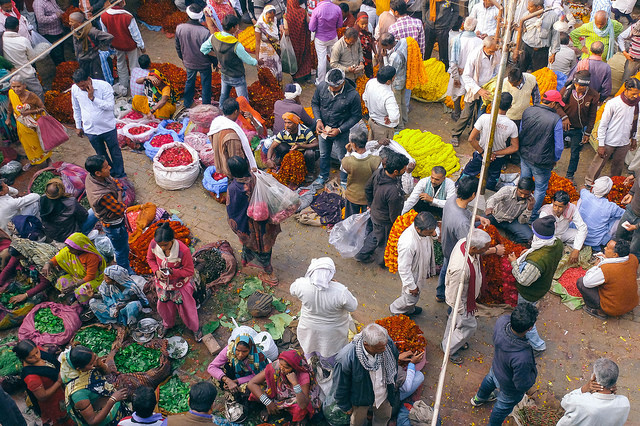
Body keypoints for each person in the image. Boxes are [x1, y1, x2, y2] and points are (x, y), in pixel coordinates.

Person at [470, 303, 539, 426]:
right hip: (509, 386)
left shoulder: (502, 321)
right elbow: (521, 384)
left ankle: (479, 398)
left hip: (497, 366)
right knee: (502, 406)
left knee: (489, 380)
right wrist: (532, 377)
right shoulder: (523, 357)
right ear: (530, 328)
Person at [509, 216, 563, 354]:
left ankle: (538, 346)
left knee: (525, 318)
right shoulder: (556, 243)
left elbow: (523, 280)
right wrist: (528, 253)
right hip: (542, 286)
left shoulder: (538, 261)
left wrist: (514, 263)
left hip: (530, 293)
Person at [290, 257, 358, 363]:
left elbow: (292, 290)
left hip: (308, 328)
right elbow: (353, 306)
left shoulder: (301, 284)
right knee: (329, 355)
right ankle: (327, 370)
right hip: (331, 334)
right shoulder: (340, 291)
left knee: (310, 347)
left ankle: (312, 366)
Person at [226, 156, 281, 284]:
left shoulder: (234, 188)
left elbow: (233, 210)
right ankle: (247, 260)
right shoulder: (256, 177)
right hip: (264, 221)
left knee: (261, 249)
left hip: (248, 225)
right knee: (263, 245)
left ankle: (270, 275)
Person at [437, 176, 492, 303]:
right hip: (455, 254)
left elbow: (465, 213)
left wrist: (478, 218)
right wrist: (494, 250)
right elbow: (470, 248)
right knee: (454, 283)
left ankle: (440, 294)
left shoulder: (452, 200)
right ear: (473, 195)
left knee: (445, 270)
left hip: (446, 245)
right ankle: (449, 303)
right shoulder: (463, 224)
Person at [333, 323, 399, 426]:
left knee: (383, 419)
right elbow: (340, 385)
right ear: (366, 344)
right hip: (360, 401)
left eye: (384, 346)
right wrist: (344, 405)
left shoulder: (387, 344)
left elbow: (394, 366)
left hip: (383, 396)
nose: (385, 350)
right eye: (379, 348)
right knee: (358, 423)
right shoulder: (346, 359)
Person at [443, 228, 492, 364]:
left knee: (454, 321)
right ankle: (449, 349)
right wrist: (460, 310)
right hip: (461, 302)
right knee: (468, 326)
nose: (485, 252)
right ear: (474, 248)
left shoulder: (464, 242)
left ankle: (448, 342)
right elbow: (453, 294)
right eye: (484, 249)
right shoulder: (461, 269)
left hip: (463, 296)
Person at [146, 222, 202, 341]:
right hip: (162, 284)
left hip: (180, 285)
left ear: (172, 239)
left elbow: (189, 271)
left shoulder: (183, 251)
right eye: (161, 246)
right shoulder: (153, 245)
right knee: (164, 307)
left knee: (187, 309)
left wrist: (173, 272)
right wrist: (156, 271)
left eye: (166, 245)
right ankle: (167, 324)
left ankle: (195, 328)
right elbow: (150, 259)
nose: (163, 248)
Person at [311, 68, 362, 186]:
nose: (331, 89)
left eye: (335, 87)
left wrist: (339, 130)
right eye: (330, 86)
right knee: (323, 154)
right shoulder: (322, 87)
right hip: (324, 128)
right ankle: (323, 176)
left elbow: (356, 116)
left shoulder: (353, 95)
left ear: (342, 83)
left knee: (342, 157)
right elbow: (315, 103)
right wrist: (318, 120)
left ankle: (344, 180)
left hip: (341, 131)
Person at [355, 151, 408, 266]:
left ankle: (363, 254)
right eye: (404, 169)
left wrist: (370, 203)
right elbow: (394, 214)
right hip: (384, 220)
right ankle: (377, 260)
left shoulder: (379, 173)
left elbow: (367, 188)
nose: (405, 171)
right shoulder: (393, 191)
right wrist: (397, 226)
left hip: (375, 212)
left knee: (376, 235)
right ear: (395, 172)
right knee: (382, 241)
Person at [519, 90, 565, 220]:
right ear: (552, 104)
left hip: (525, 155)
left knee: (524, 182)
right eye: (557, 105)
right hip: (542, 161)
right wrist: (555, 159)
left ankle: (521, 208)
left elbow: (521, 131)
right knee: (539, 188)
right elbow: (559, 146)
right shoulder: (555, 119)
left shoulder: (528, 110)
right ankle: (532, 216)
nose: (557, 107)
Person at [585, 78, 640, 186]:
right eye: (633, 93)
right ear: (626, 90)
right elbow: (603, 125)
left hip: (624, 141)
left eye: (637, 94)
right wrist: (601, 144)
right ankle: (588, 183)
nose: (635, 96)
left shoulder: (637, 104)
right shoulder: (613, 103)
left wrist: (634, 138)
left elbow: (636, 122)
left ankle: (613, 185)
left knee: (618, 166)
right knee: (598, 164)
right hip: (609, 140)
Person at [72, 69, 126, 179]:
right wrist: (78, 126)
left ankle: (120, 174)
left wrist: (93, 98)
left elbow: (110, 106)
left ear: (88, 79)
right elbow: (76, 108)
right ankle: (109, 173)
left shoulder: (104, 86)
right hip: (90, 129)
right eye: (79, 86)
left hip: (107, 127)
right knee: (101, 155)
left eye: (83, 85)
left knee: (115, 152)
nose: (81, 88)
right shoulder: (75, 89)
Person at [461, 92, 519, 190]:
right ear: (510, 106)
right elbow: (515, 147)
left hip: (480, 155)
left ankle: (460, 192)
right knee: (491, 181)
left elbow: (471, 139)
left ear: (494, 103)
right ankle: (485, 198)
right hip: (498, 159)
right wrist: (495, 153)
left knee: (466, 176)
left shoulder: (484, 118)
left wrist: (483, 152)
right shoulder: (512, 125)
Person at [450, 36, 501, 147]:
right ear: (484, 47)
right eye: (490, 51)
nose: (493, 53)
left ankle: (473, 132)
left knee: (480, 114)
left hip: (487, 88)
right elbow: (467, 76)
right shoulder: (474, 56)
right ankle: (455, 134)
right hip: (473, 87)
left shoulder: (496, 53)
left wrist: (491, 85)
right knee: (467, 113)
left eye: (494, 51)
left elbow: (497, 71)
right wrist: (479, 90)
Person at [248, 350, 322, 425]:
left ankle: (287, 413)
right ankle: (269, 408)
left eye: (286, 367)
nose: (282, 369)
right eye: (281, 365)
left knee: (300, 409)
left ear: (294, 367)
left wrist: (295, 384)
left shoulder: (303, 375)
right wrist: (267, 402)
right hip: (276, 393)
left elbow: (303, 405)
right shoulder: (276, 366)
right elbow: (251, 383)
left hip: (294, 397)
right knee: (256, 393)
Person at [84, 155, 131, 271]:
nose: (109, 167)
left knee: (121, 247)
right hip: (114, 225)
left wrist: (118, 191)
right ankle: (125, 270)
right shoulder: (102, 195)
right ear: (98, 173)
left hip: (111, 216)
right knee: (121, 250)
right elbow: (121, 209)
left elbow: (115, 182)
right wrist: (120, 195)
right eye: (105, 167)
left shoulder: (92, 177)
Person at [201, 15, 261, 105]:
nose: (238, 28)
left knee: (224, 95)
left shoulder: (214, 37)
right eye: (237, 26)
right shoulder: (236, 45)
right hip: (237, 75)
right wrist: (257, 62)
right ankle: (245, 115)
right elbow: (247, 60)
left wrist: (217, 55)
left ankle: (221, 111)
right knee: (243, 99)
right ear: (233, 27)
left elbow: (203, 49)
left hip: (224, 73)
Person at [61, 345, 128, 425]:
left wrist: (100, 364)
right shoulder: (78, 394)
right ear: (79, 369)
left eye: (95, 358)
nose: (94, 363)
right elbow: (93, 421)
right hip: (107, 421)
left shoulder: (86, 368)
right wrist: (113, 400)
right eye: (91, 364)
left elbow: (107, 372)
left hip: (116, 408)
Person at [13, 340, 71, 426]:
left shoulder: (38, 351)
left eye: (37, 352)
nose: (37, 357)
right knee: (61, 420)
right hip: (52, 403)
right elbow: (42, 396)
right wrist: (58, 382)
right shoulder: (31, 377)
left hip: (62, 392)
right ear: (23, 359)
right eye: (31, 357)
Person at [389, 211, 437, 316]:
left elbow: (433, 235)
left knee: (413, 297)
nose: (431, 234)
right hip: (414, 273)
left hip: (421, 268)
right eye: (429, 233)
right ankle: (395, 310)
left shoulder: (424, 231)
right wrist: (411, 286)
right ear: (418, 229)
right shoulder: (408, 243)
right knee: (410, 298)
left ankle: (410, 310)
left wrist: (433, 234)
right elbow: (404, 268)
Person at [577, 239, 638, 319]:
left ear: (615, 255)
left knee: (581, 282)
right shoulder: (633, 258)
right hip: (632, 303)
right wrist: (608, 259)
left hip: (613, 308)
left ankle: (600, 312)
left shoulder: (607, 269)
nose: (605, 249)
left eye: (608, 248)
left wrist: (596, 266)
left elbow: (586, 282)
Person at [557, 358, 630, 425]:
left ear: (594, 377)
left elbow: (564, 401)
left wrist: (585, 388)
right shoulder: (624, 402)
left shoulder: (580, 402)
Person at [41, 233, 106, 305]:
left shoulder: (92, 257)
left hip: (93, 280)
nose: (69, 250)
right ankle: (71, 295)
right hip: (77, 278)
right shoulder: (69, 251)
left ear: (79, 248)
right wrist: (48, 264)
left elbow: (90, 277)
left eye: (71, 248)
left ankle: (83, 303)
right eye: (68, 247)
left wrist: (74, 285)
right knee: (61, 281)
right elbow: (56, 258)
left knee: (81, 291)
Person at [558, 70, 599, 181]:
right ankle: (548, 169)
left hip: (578, 129)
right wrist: (564, 117)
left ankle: (570, 175)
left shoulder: (593, 95)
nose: (577, 87)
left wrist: (588, 132)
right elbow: (556, 106)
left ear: (586, 86)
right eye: (576, 84)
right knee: (554, 148)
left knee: (575, 154)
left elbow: (592, 115)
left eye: (581, 86)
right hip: (562, 126)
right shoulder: (566, 91)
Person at [208, 335, 268, 405]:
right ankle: (231, 390)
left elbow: (257, 376)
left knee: (251, 391)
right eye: (238, 350)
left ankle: (236, 394)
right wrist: (227, 380)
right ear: (235, 346)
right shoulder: (230, 349)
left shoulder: (258, 357)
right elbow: (211, 367)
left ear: (250, 349)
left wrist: (236, 381)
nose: (240, 355)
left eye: (245, 351)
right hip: (236, 372)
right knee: (216, 375)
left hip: (251, 379)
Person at [100, 0, 145, 92]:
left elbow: (105, 33)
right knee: (134, 66)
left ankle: (123, 85)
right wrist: (141, 46)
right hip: (130, 45)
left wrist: (110, 45)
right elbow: (135, 34)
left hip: (117, 45)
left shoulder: (103, 16)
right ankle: (135, 86)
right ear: (122, 3)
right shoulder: (127, 17)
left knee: (120, 64)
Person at [6, 76, 50, 169]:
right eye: (13, 87)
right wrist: (8, 118)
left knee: (39, 142)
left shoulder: (31, 96)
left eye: (18, 86)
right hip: (21, 124)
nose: (16, 89)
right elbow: (10, 105)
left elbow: (42, 108)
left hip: (33, 125)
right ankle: (33, 160)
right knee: (27, 144)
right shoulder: (11, 93)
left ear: (24, 85)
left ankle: (48, 160)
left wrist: (29, 112)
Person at [176, 4, 214, 108]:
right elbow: (210, 51)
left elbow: (178, 46)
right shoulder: (205, 32)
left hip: (189, 62)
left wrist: (183, 58)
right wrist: (214, 62)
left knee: (190, 81)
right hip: (204, 64)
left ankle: (187, 102)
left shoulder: (180, 28)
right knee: (206, 84)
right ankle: (206, 105)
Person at [208, 98, 258, 178]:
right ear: (235, 112)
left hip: (221, 164)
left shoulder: (216, 123)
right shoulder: (231, 134)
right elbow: (236, 159)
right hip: (232, 172)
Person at [0, 237, 56, 306]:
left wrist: (25, 295)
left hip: (52, 273)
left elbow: (45, 282)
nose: (17, 259)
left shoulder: (40, 259)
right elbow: (8, 268)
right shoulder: (20, 250)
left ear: (23, 253)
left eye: (18, 257)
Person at [446, 17, 482, 122]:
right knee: (469, 97)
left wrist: (456, 77)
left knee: (456, 94)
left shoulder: (457, 40)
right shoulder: (479, 42)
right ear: (474, 27)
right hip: (472, 74)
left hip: (458, 72)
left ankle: (457, 114)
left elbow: (453, 62)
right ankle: (466, 118)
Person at [341, 127, 382, 217]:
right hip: (368, 199)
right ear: (366, 141)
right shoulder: (376, 160)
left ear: (354, 145)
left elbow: (343, 169)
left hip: (352, 196)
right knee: (365, 223)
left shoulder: (347, 161)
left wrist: (348, 152)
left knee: (350, 221)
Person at [539, 190, 588, 264]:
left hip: (563, 233)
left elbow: (582, 227)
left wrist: (576, 250)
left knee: (579, 235)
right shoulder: (546, 212)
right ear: (552, 201)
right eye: (555, 205)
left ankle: (567, 248)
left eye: (560, 207)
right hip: (549, 238)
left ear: (566, 206)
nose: (557, 209)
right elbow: (541, 232)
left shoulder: (572, 208)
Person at [40, 178, 94, 243]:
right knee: (93, 212)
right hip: (70, 236)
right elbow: (84, 216)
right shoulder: (71, 202)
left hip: (54, 235)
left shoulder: (42, 199)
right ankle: (84, 235)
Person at [2, 17, 44, 101]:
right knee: (38, 93)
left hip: (12, 77)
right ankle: (41, 112)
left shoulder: (1, 40)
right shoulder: (23, 41)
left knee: (20, 100)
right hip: (27, 75)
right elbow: (32, 58)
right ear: (17, 27)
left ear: (5, 26)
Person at [579, 177, 625, 250]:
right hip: (595, 240)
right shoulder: (611, 206)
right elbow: (624, 214)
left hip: (579, 234)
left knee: (581, 200)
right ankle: (607, 240)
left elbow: (582, 188)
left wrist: (585, 187)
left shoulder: (587, 195)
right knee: (619, 218)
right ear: (607, 192)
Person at [485, 178, 535, 244]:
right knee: (475, 224)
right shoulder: (507, 190)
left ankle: (511, 240)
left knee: (529, 237)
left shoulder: (531, 200)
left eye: (526, 194)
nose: (523, 196)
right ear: (517, 187)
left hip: (511, 221)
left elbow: (521, 221)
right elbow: (493, 199)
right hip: (495, 216)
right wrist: (489, 208)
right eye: (521, 192)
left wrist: (529, 208)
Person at [516, 0, 559, 72]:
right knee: (520, 70)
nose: (527, 8)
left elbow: (555, 35)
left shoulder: (552, 16)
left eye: (530, 7)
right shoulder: (526, 15)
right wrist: (517, 50)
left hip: (541, 52)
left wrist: (553, 53)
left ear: (539, 7)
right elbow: (521, 31)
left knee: (539, 75)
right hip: (527, 48)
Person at [69, 12, 113, 80]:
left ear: (79, 23)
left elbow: (109, 37)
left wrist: (99, 47)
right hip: (82, 60)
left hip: (94, 59)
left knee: (98, 78)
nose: (69, 23)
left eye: (71, 22)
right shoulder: (74, 30)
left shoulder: (91, 31)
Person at [309, 0, 342, 85]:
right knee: (335, 59)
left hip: (320, 39)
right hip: (333, 37)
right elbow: (339, 25)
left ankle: (321, 81)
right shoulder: (337, 8)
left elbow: (311, 28)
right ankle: (337, 79)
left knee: (322, 60)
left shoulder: (317, 10)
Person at [380, 33, 408, 129]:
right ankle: (405, 119)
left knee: (397, 105)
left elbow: (389, 70)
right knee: (403, 101)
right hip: (404, 78)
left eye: (384, 47)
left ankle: (399, 125)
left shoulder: (394, 56)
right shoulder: (403, 42)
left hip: (396, 83)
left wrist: (384, 56)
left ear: (388, 45)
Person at [363, 65, 399, 140]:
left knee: (371, 145)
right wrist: (390, 118)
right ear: (388, 81)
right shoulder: (388, 96)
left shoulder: (371, 82)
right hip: (383, 128)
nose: (394, 78)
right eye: (394, 77)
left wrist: (371, 108)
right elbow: (394, 117)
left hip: (372, 121)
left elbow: (365, 98)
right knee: (381, 149)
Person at [422, 0, 459, 67]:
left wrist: (450, 26)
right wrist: (424, 20)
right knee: (426, 54)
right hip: (429, 25)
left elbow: (456, 11)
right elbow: (424, 6)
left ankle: (444, 73)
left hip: (443, 28)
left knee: (443, 56)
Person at [283, 0, 312, 83]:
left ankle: (296, 76)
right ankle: (306, 75)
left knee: (295, 56)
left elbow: (287, 31)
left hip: (293, 42)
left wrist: (282, 30)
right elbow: (308, 22)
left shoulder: (286, 15)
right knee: (305, 56)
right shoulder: (303, 11)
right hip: (303, 39)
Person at [254, 5, 282, 83]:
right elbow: (257, 42)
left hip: (275, 50)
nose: (271, 20)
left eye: (272, 17)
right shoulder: (259, 26)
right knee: (268, 72)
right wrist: (257, 59)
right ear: (264, 14)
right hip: (265, 52)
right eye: (269, 17)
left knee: (276, 69)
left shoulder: (275, 20)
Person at [33, 0, 64, 66]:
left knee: (61, 52)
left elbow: (57, 9)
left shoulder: (52, 0)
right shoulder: (38, 3)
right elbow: (41, 19)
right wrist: (55, 16)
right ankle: (61, 72)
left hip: (58, 30)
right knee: (57, 56)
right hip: (50, 34)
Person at [616, 175, 640, 259]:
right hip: (631, 210)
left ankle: (631, 265)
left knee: (634, 249)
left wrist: (636, 226)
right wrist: (631, 193)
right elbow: (638, 180)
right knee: (619, 235)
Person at [354, 12, 375, 78]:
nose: (364, 26)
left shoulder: (368, 29)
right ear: (357, 22)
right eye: (362, 24)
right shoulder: (355, 32)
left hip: (368, 56)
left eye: (366, 23)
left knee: (369, 72)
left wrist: (375, 52)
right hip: (360, 57)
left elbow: (372, 42)